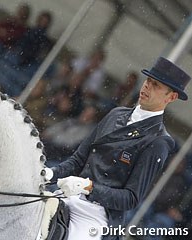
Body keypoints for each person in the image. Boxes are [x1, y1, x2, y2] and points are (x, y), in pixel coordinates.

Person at [42, 57, 191, 240]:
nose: (147, 87)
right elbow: (79, 160)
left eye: (156, 86)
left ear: (171, 96)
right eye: (148, 81)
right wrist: (51, 172)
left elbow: (130, 198)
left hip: (94, 214)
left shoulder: (159, 141)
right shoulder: (115, 114)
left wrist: (88, 187)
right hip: (67, 193)